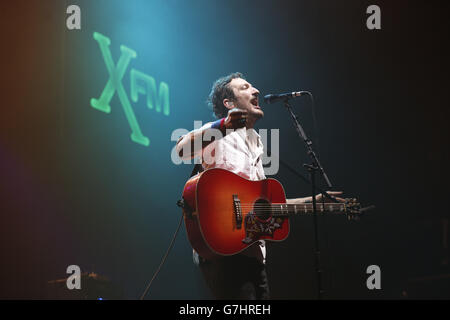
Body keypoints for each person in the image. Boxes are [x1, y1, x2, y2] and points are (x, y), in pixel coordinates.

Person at [175, 72, 343, 299]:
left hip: (253, 252)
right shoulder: (219, 134)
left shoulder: (257, 142)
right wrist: (224, 125)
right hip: (223, 247)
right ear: (229, 103)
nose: (256, 91)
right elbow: (182, 150)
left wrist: (314, 202)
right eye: (245, 87)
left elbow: (262, 204)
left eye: (253, 87)